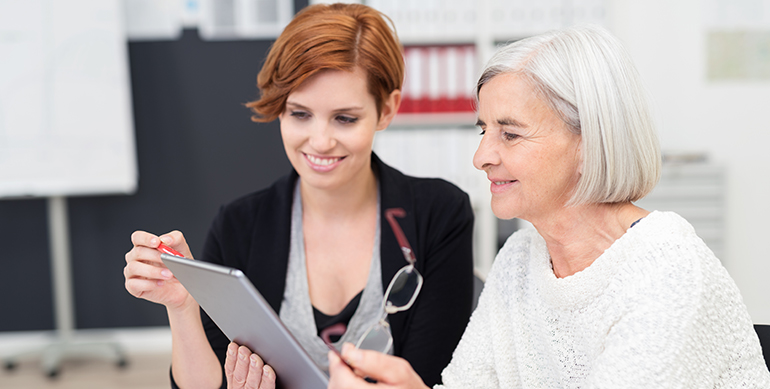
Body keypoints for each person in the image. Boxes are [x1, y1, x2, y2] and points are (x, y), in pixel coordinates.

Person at [327, 25, 770, 388]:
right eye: (483, 130)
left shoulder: (667, 267)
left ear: (589, 141)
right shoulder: (519, 261)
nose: (481, 157)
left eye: (511, 133)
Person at [123, 3, 475, 389]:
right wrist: (183, 306)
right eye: (299, 114)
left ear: (386, 110)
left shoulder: (439, 215)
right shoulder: (239, 226)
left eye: (345, 118)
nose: (320, 141)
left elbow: (435, 378)